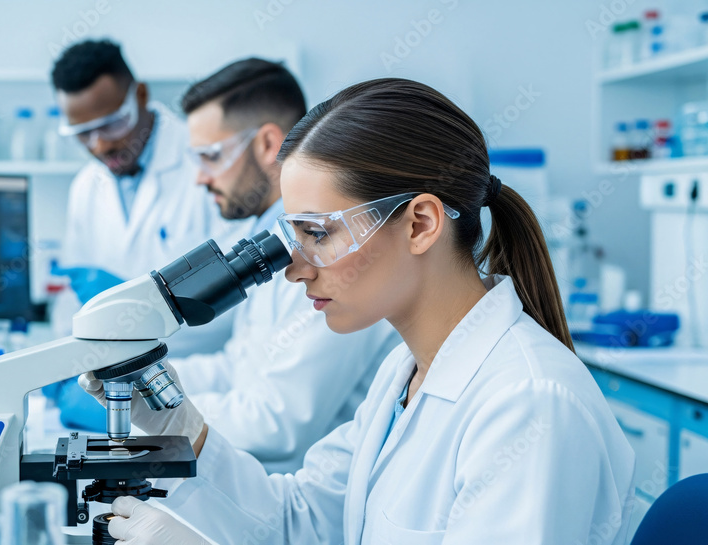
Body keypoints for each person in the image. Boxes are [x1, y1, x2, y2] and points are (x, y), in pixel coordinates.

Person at [80, 78, 637, 544]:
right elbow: (299, 521)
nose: (295, 269)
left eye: (318, 233)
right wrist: (181, 429)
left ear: (420, 224)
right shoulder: (405, 375)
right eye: (293, 236)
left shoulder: (528, 405)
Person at [169, 58, 400, 472]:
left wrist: (157, 416)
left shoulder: (348, 257)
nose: (200, 178)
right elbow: (241, 367)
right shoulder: (272, 240)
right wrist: (141, 385)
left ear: (266, 144)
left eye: (211, 156)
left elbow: (276, 421)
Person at [44, 40, 244, 430]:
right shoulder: (86, 187)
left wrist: (147, 313)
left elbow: (237, 303)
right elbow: (71, 300)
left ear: (139, 95)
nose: (100, 144)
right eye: (83, 133)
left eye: (111, 124)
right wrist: (64, 360)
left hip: (198, 383)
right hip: (110, 382)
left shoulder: (204, 164)